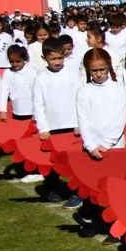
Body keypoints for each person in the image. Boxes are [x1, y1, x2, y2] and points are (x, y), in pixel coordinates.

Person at [33, 36, 83, 206]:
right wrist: (43, 127)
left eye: (60, 58)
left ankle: (76, 192)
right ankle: (52, 188)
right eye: (53, 58)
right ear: (44, 58)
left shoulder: (71, 75)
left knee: (74, 163)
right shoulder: (40, 78)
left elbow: (79, 100)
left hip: (71, 127)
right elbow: (38, 104)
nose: (57, 62)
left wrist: (79, 123)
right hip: (51, 128)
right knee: (53, 161)